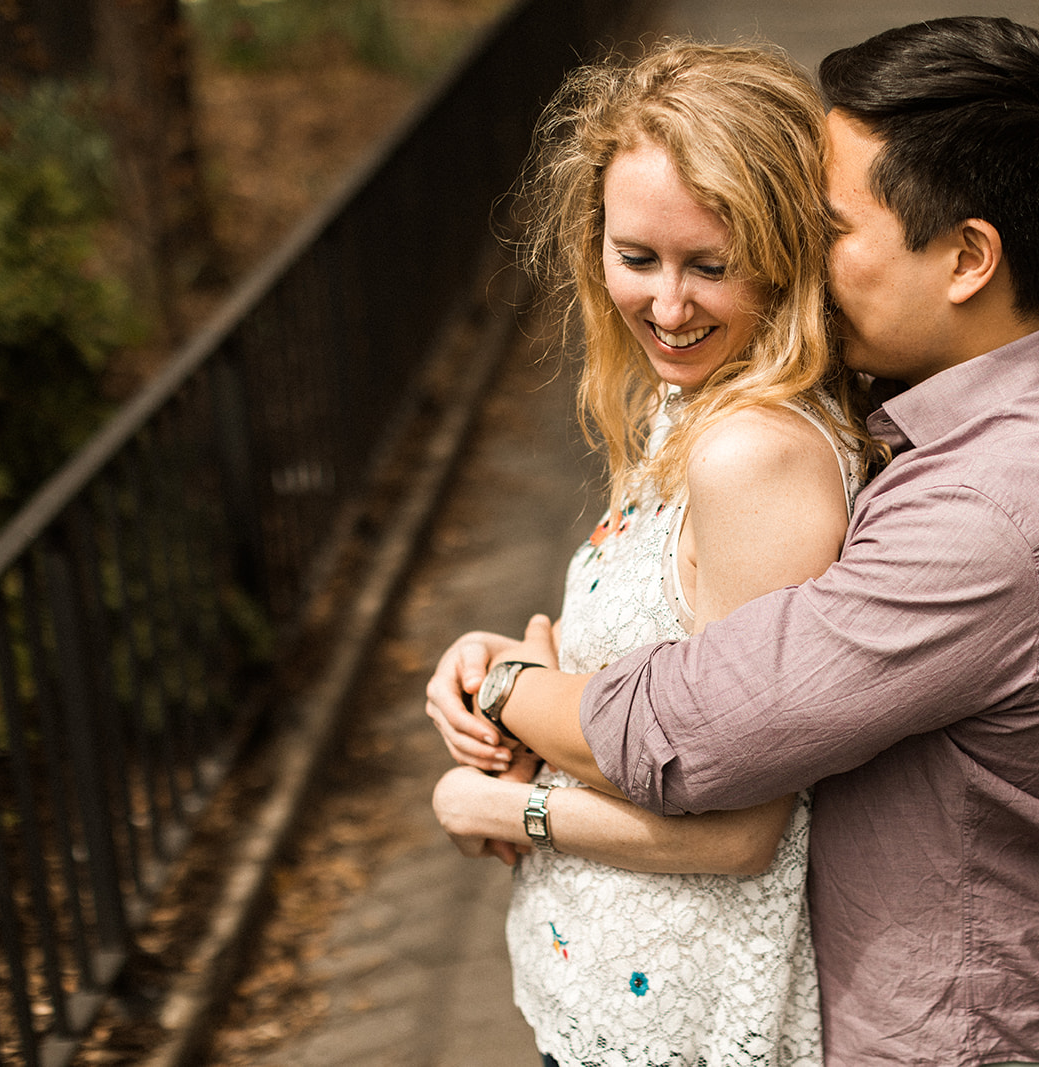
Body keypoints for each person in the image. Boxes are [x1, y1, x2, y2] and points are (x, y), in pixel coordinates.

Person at [428, 16, 1039, 1067]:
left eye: (831, 225)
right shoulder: (924, 414)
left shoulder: (991, 514)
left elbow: (699, 727)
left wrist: (503, 690)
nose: (797, 252)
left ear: (966, 258)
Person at [427, 39, 877, 1067]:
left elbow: (737, 829)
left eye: (709, 266)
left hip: (677, 1028)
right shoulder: (696, 401)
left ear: (779, 251)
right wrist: (499, 665)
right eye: (638, 258)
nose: (668, 308)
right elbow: (658, 675)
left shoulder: (753, 453)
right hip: (604, 991)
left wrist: (506, 803)